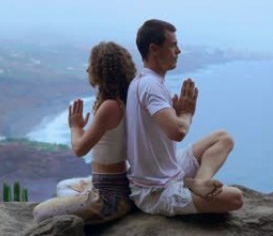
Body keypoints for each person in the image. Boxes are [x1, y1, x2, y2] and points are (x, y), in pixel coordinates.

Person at [126, 19, 243, 216]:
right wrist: (186, 114)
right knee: (235, 198)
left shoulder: (148, 82)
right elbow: (178, 131)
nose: (178, 51)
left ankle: (199, 182)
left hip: (169, 169)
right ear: (154, 49)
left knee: (224, 138)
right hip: (155, 190)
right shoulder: (150, 85)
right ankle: (194, 185)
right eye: (173, 45)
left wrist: (177, 114)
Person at [33, 41, 137, 224]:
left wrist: (76, 127)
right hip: (114, 184)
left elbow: (80, 149)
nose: (87, 69)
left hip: (109, 196)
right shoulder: (122, 101)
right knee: (63, 186)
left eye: (91, 65)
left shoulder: (110, 106)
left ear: (101, 70)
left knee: (39, 213)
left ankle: (94, 211)